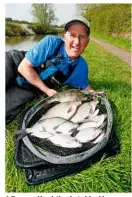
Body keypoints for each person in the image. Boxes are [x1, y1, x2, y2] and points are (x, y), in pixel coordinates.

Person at [6, 15, 94, 124]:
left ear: (88, 41)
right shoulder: (51, 42)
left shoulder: (81, 67)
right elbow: (23, 67)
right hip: (14, 63)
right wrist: (47, 90)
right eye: (72, 35)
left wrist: (97, 95)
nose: (77, 42)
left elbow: (87, 88)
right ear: (64, 36)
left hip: (30, 87)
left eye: (82, 37)